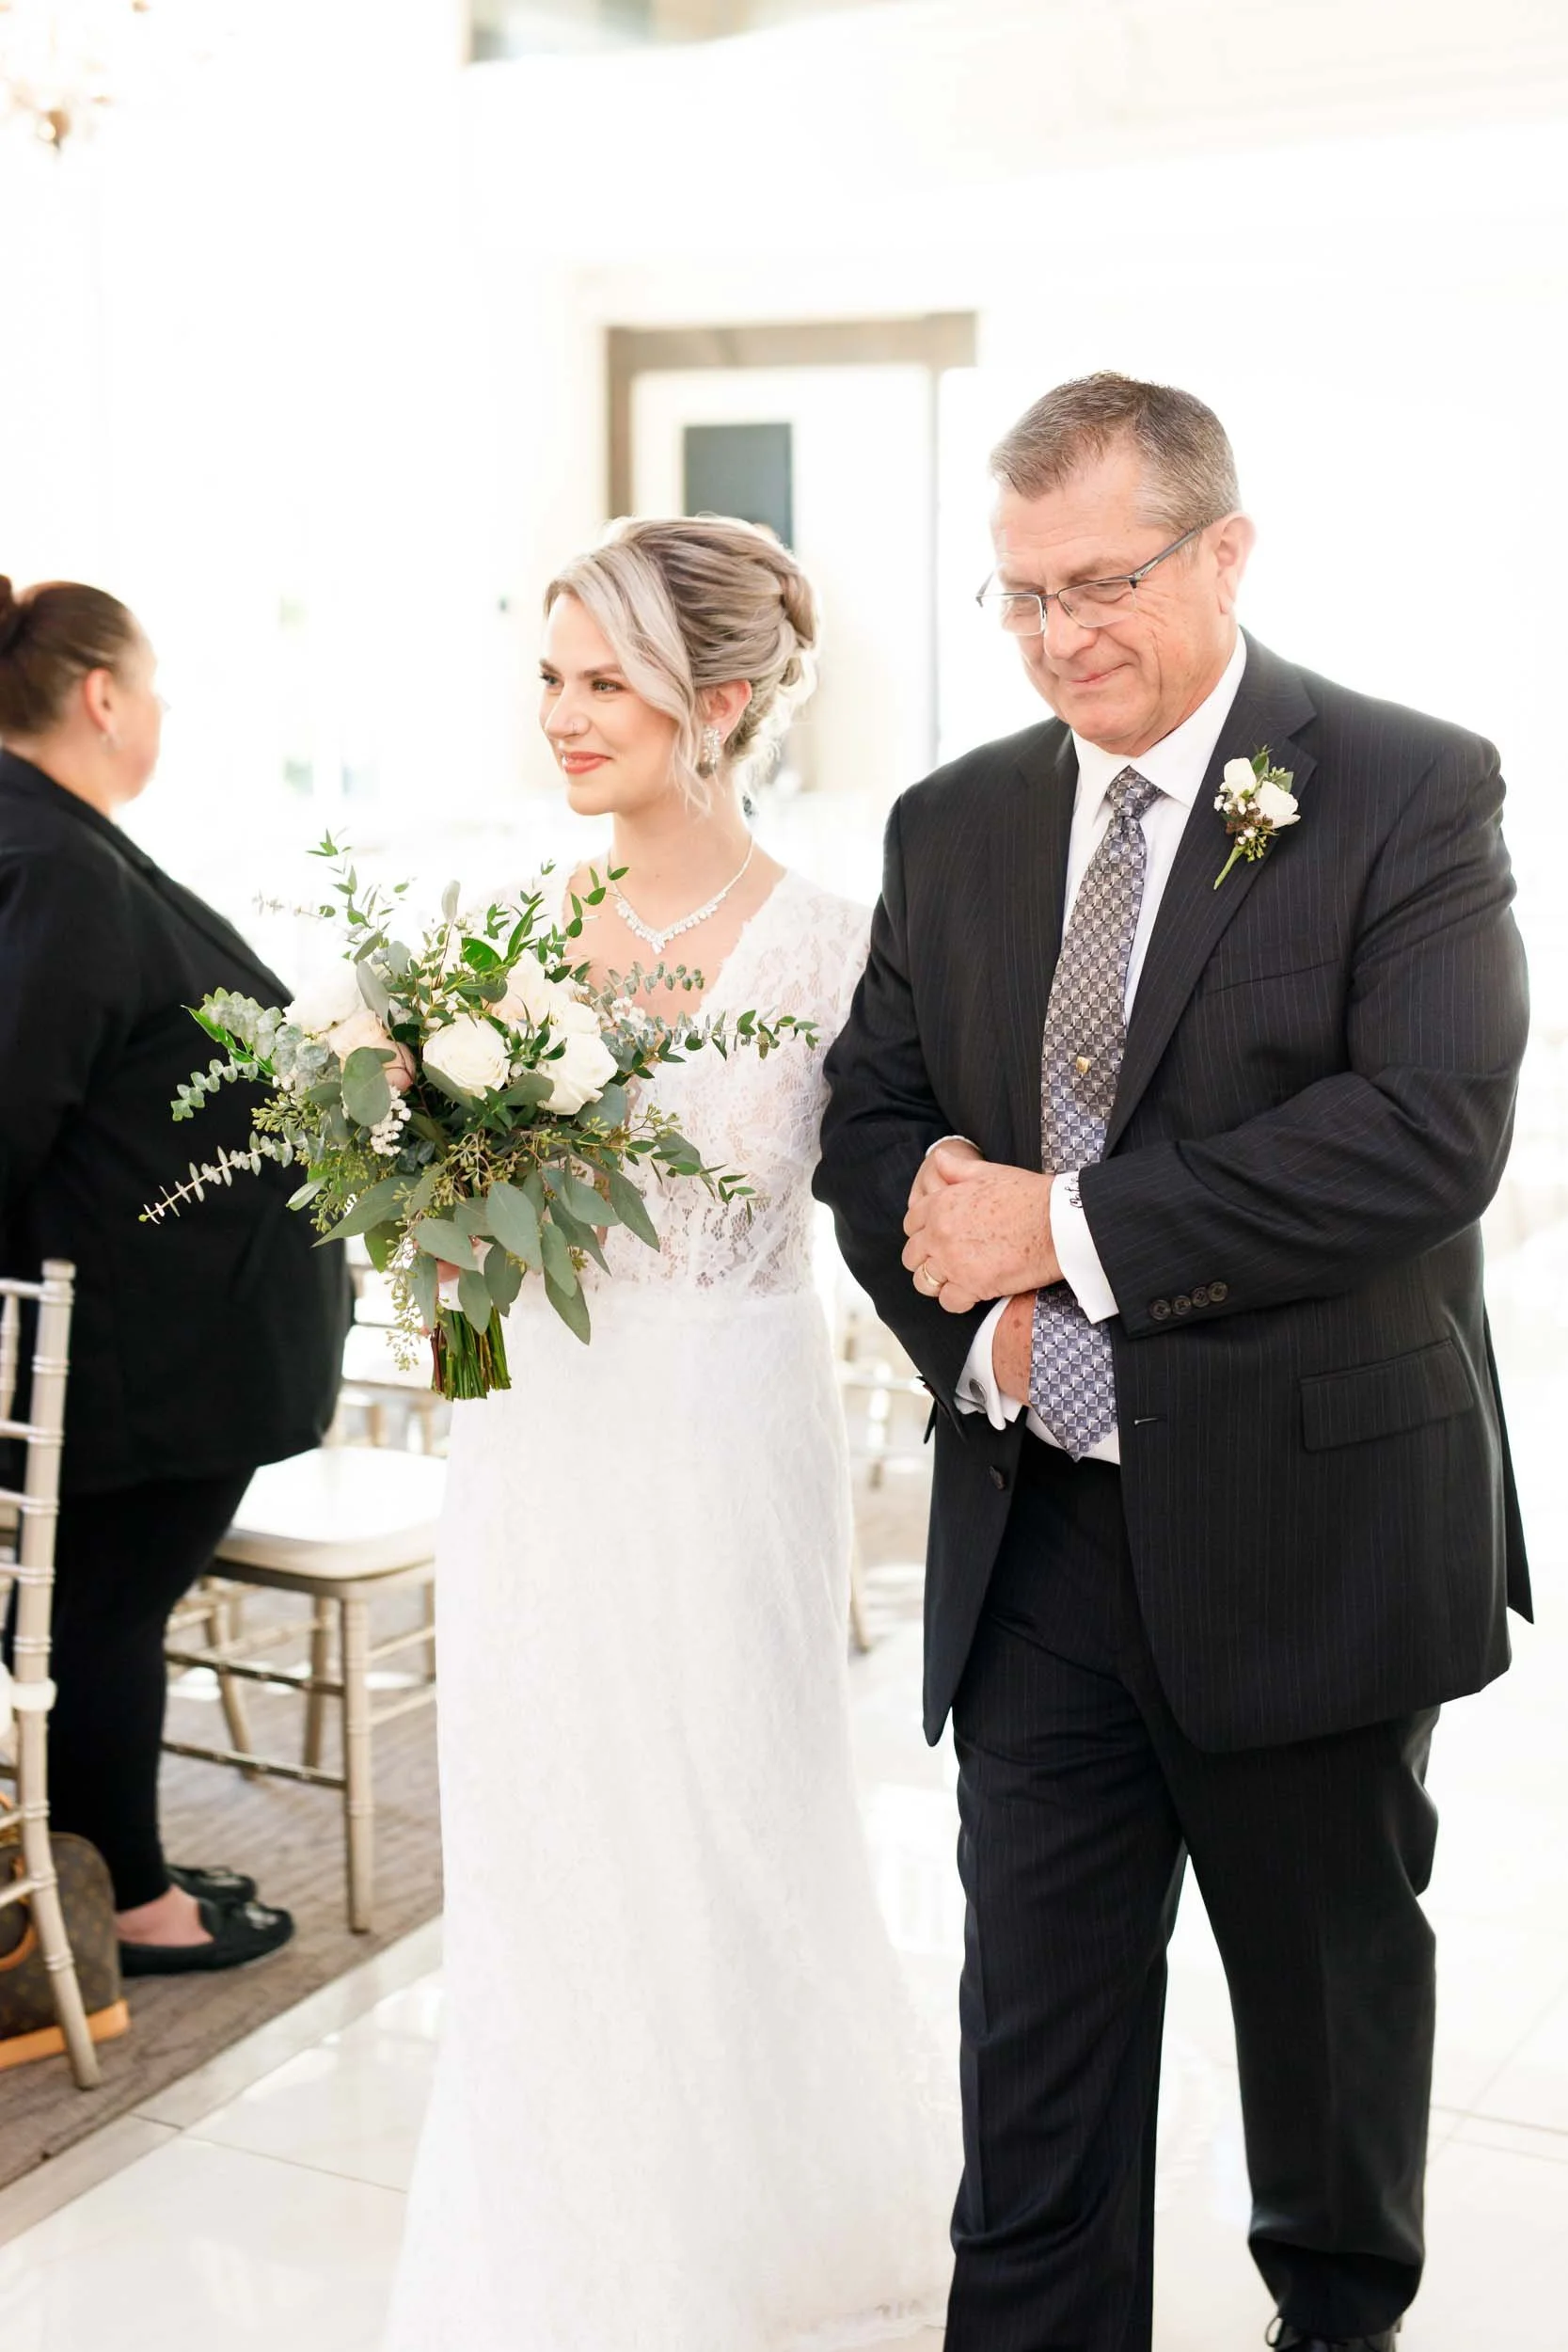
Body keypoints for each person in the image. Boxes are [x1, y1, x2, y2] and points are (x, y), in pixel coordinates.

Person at [816, 373, 1530, 2352]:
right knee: (1030, 2032)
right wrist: (979, 1291)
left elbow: (1425, 1128)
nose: (1060, 636)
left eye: (1100, 582)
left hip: (1310, 1523)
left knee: (1319, 2008)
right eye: (1019, 594)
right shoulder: (952, 819)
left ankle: (1332, 2322)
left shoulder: (1403, 782)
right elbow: (871, 1119)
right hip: (1034, 1524)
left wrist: (1064, 1227)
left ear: (1224, 548)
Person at [386, 516, 950, 2351]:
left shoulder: (829, 947)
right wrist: (441, 1258)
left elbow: (879, 1223)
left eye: (601, 680)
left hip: (721, 1447)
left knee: (719, 1830)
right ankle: (560, 2240)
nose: (560, 715)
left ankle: (751, 2234)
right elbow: (460, 1282)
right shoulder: (505, 933)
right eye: (546, 676)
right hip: (526, 1460)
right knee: (545, 1845)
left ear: (716, 703)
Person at [0, 577, 351, 1974]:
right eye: (148, 688)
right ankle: (125, 1905)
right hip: (139, 1353)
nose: (155, 714)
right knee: (103, 1616)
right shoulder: (57, 864)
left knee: (97, 1611)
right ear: (100, 696)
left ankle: (93, 1877)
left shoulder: (64, 846)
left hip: (154, 1337)